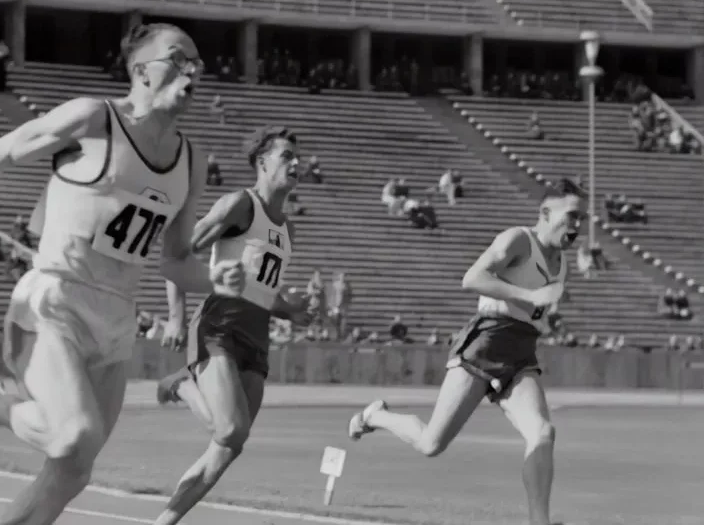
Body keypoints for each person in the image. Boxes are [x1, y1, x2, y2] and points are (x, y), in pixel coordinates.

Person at [0, 23, 245, 525]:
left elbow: (174, 259)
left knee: (74, 468)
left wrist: (218, 281)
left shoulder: (192, 162)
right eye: (178, 58)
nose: (192, 69)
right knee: (77, 435)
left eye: (197, 62)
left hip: (116, 322)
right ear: (140, 70)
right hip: (54, 303)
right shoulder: (95, 118)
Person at [347, 178, 583, 525]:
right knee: (431, 444)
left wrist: (542, 319)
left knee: (543, 432)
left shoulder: (561, 263)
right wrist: (530, 297)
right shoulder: (518, 239)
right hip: (485, 341)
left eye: (582, 219)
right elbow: (472, 278)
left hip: (521, 351)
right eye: (572, 216)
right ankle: (374, 416)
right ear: (546, 212)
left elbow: (534, 311)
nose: (578, 226)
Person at [153, 126, 310, 525]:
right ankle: (183, 384)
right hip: (218, 328)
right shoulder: (240, 205)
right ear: (262, 162)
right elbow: (177, 256)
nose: (297, 163)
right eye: (287, 155)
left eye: (298, 157)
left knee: (227, 447)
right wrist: (174, 316)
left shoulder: (288, 230)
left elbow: (262, 290)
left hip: (256, 340)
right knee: (231, 429)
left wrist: (290, 310)